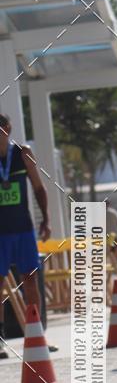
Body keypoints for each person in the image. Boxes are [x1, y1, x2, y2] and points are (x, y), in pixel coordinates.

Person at [0, 113, 51, 360]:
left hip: (23, 229)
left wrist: (47, 220)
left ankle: (37, 334)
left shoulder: (23, 153)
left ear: (8, 129)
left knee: (30, 280)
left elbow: (39, 188)